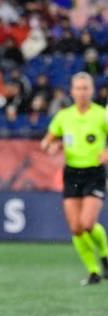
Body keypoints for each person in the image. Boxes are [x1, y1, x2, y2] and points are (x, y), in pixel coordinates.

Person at [41, 72, 108, 285]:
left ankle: (105, 254)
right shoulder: (64, 116)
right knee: (76, 228)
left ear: (92, 90)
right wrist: (52, 146)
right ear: (71, 91)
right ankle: (94, 271)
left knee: (88, 223)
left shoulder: (101, 115)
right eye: (78, 88)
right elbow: (46, 142)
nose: (81, 92)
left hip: (94, 172)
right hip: (72, 173)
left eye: (85, 88)